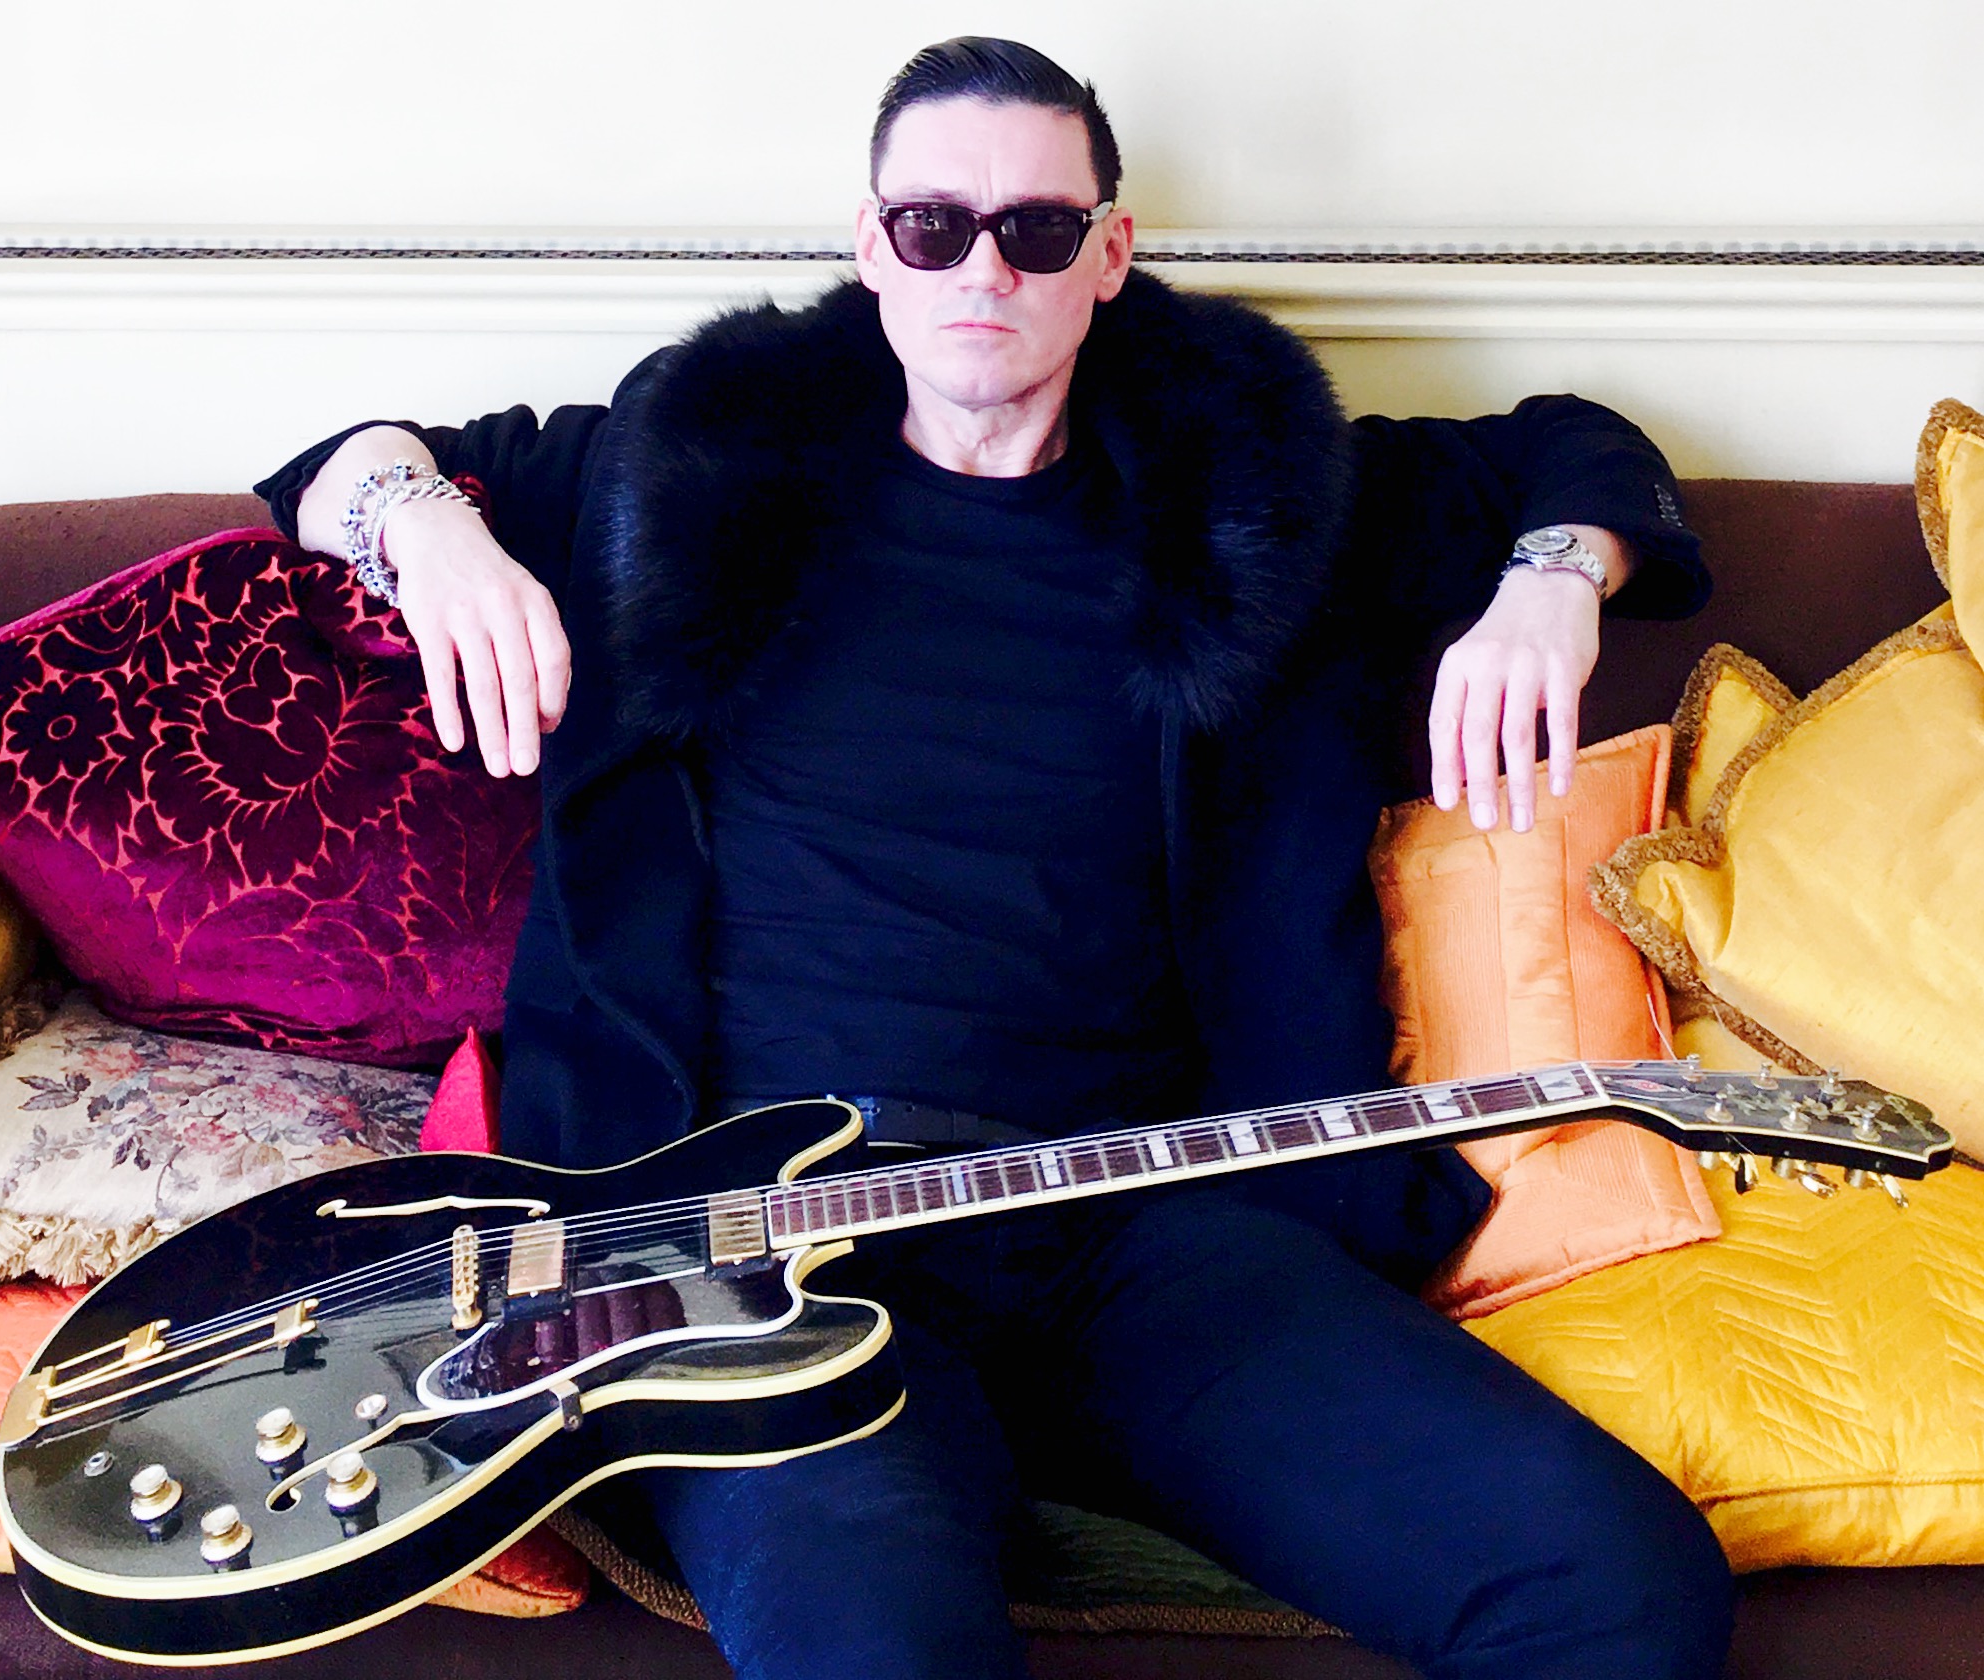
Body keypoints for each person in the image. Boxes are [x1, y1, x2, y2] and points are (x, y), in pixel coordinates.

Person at [258, 38, 1735, 1680]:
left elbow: (1573, 446)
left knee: (1617, 1585)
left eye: (1036, 231)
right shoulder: (685, 471)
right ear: (869, 245)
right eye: (931, 225)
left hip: (1144, 1220)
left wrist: (1550, 582)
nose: (981, 270)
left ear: (1108, 254)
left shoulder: (1249, 484)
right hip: (757, 1244)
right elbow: (342, 464)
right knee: (880, 1649)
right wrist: (427, 530)